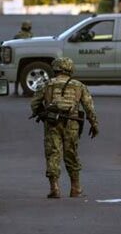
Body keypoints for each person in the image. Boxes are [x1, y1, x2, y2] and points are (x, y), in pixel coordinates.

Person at [31, 57, 99, 198]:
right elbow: (89, 107)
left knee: (53, 153)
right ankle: (76, 188)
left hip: (52, 123)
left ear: (56, 69)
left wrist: (41, 113)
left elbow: (34, 103)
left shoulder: (47, 84)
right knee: (71, 153)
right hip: (72, 123)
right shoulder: (79, 85)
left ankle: (54, 188)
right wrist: (94, 124)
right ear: (70, 69)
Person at [13, 20, 33, 95]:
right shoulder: (30, 35)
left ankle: (16, 90)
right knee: (25, 74)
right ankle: (25, 89)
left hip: (19, 56)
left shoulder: (18, 35)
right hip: (28, 56)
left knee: (18, 74)